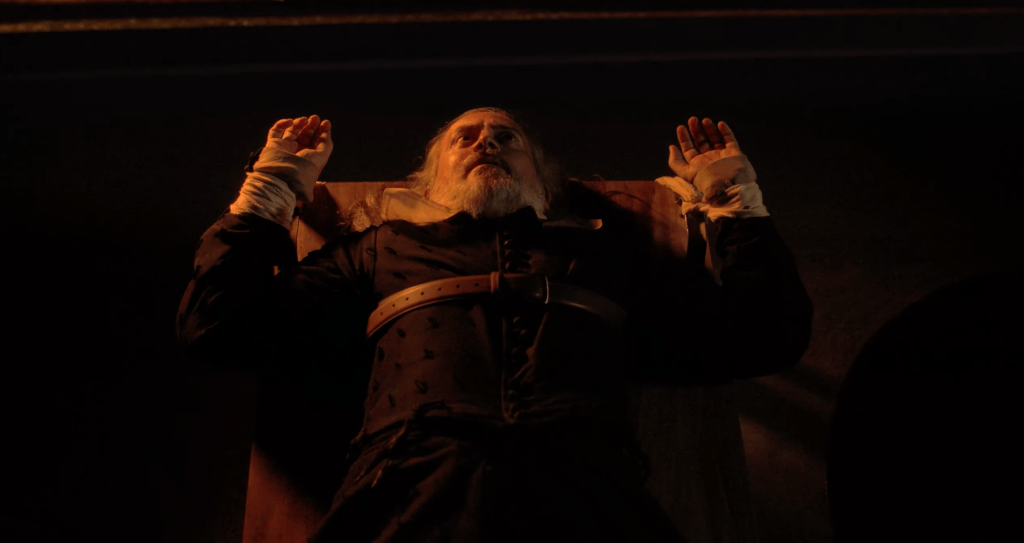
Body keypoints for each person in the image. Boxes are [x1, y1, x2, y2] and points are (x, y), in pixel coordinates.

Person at [178, 108, 812, 542]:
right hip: (409, 489)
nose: (487, 142)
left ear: (541, 180)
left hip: (587, 489)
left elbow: (761, 335)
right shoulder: (378, 250)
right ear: (431, 181)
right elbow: (218, 324)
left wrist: (734, 202)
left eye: (507, 138)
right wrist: (272, 189)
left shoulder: (607, 257)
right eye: (466, 137)